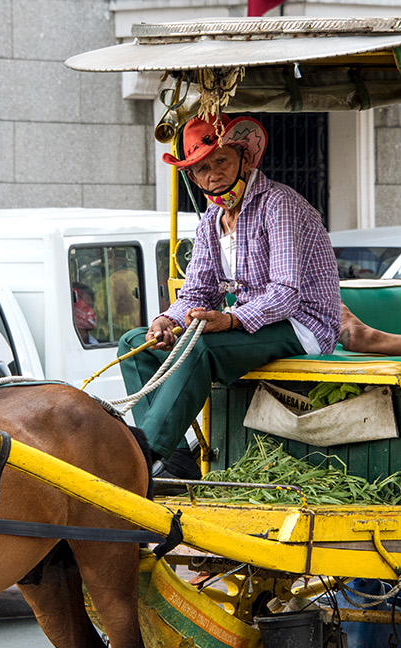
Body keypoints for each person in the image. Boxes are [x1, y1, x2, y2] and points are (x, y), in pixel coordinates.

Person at [118, 114, 341, 479]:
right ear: (193, 178)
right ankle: (173, 460)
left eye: (221, 161)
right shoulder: (211, 220)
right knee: (134, 343)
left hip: (302, 327)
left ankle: (146, 458)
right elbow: (197, 291)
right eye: (202, 169)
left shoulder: (278, 203)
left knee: (200, 346)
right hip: (251, 327)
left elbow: (285, 293)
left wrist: (230, 319)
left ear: (244, 159)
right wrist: (166, 320)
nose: (213, 175)